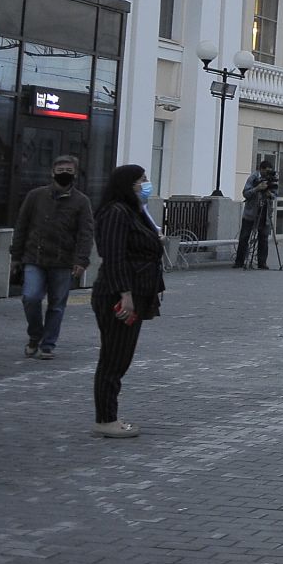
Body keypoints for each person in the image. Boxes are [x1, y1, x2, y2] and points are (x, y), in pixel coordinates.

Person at [90, 164, 163, 438]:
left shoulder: (132, 211)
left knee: (120, 357)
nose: (146, 184)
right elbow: (114, 256)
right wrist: (125, 294)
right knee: (114, 358)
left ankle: (108, 415)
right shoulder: (115, 213)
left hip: (136, 291)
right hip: (118, 295)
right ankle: (105, 418)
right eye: (141, 180)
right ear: (127, 183)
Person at [11, 154, 94, 360]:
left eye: (69, 171)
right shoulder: (35, 196)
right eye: (60, 171)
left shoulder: (81, 202)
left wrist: (81, 260)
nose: (64, 175)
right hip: (34, 257)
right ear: (52, 172)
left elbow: (86, 233)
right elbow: (21, 226)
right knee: (31, 297)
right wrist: (16, 256)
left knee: (57, 305)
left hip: (63, 261)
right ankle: (34, 335)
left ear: (75, 174)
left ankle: (47, 344)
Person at [234, 159, 276, 269]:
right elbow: (245, 193)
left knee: (264, 238)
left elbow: (275, 194)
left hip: (265, 213)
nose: (267, 174)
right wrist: (257, 189)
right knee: (244, 237)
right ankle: (239, 261)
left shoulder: (271, 179)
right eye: (265, 171)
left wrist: (269, 194)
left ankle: (262, 262)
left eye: (269, 171)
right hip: (251, 213)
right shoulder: (253, 178)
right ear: (260, 169)